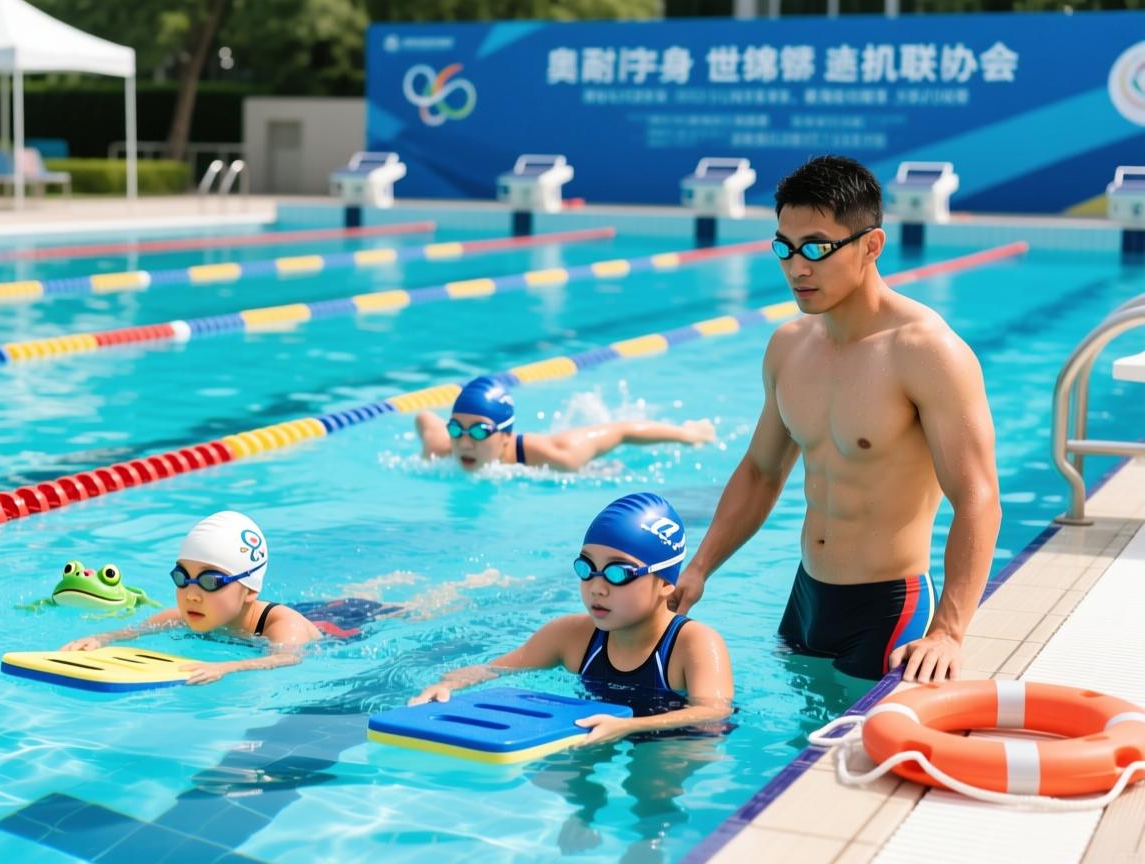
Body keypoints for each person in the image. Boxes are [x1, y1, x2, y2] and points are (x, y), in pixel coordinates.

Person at [672, 155, 1001, 684]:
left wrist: (948, 631)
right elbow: (761, 471)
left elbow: (978, 496)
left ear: (871, 245)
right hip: (806, 600)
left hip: (889, 611)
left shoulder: (925, 351)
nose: (797, 267)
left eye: (818, 249)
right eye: (784, 247)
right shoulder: (788, 346)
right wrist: (701, 567)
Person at [411, 492, 734, 744]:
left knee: (653, 785)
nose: (597, 588)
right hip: (599, 727)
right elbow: (494, 668)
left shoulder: (693, 643)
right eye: (586, 568)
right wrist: (445, 685)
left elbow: (713, 712)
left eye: (617, 573)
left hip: (677, 738)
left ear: (664, 583)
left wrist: (629, 727)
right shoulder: (570, 636)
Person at [61, 510, 322, 684]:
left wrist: (224, 668)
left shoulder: (283, 624)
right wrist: (100, 638)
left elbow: (287, 658)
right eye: (182, 578)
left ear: (250, 589)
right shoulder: (184, 616)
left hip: (341, 625)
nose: (191, 596)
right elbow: (134, 631)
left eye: (210, 582)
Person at [415, 375, 715, 472]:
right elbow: (424, 417)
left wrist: (689, 435)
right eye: (456, 429)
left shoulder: (556, 455)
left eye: (480, 431)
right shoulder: (440, 448)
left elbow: (622, 431)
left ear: (506, 435)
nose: (464, 443)